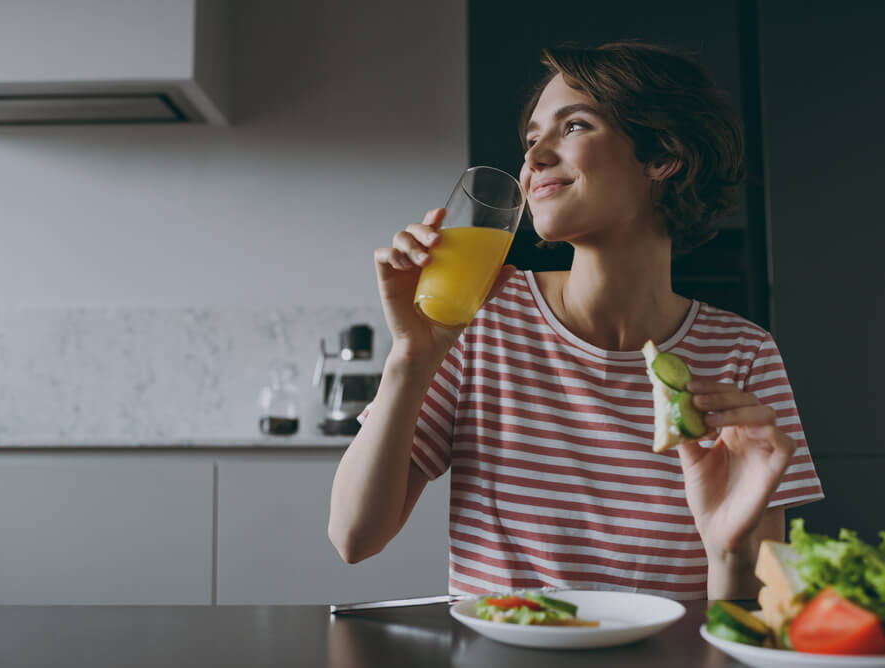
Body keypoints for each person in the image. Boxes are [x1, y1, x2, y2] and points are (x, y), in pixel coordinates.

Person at [328, 40, 823, 600]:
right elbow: (353, 537)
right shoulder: (482, 317)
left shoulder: (745, 354)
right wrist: (410, 360)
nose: (535, 156)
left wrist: (727, 552)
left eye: (574, 126)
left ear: (662, 154)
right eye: (532, 138)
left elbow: (760, 615)